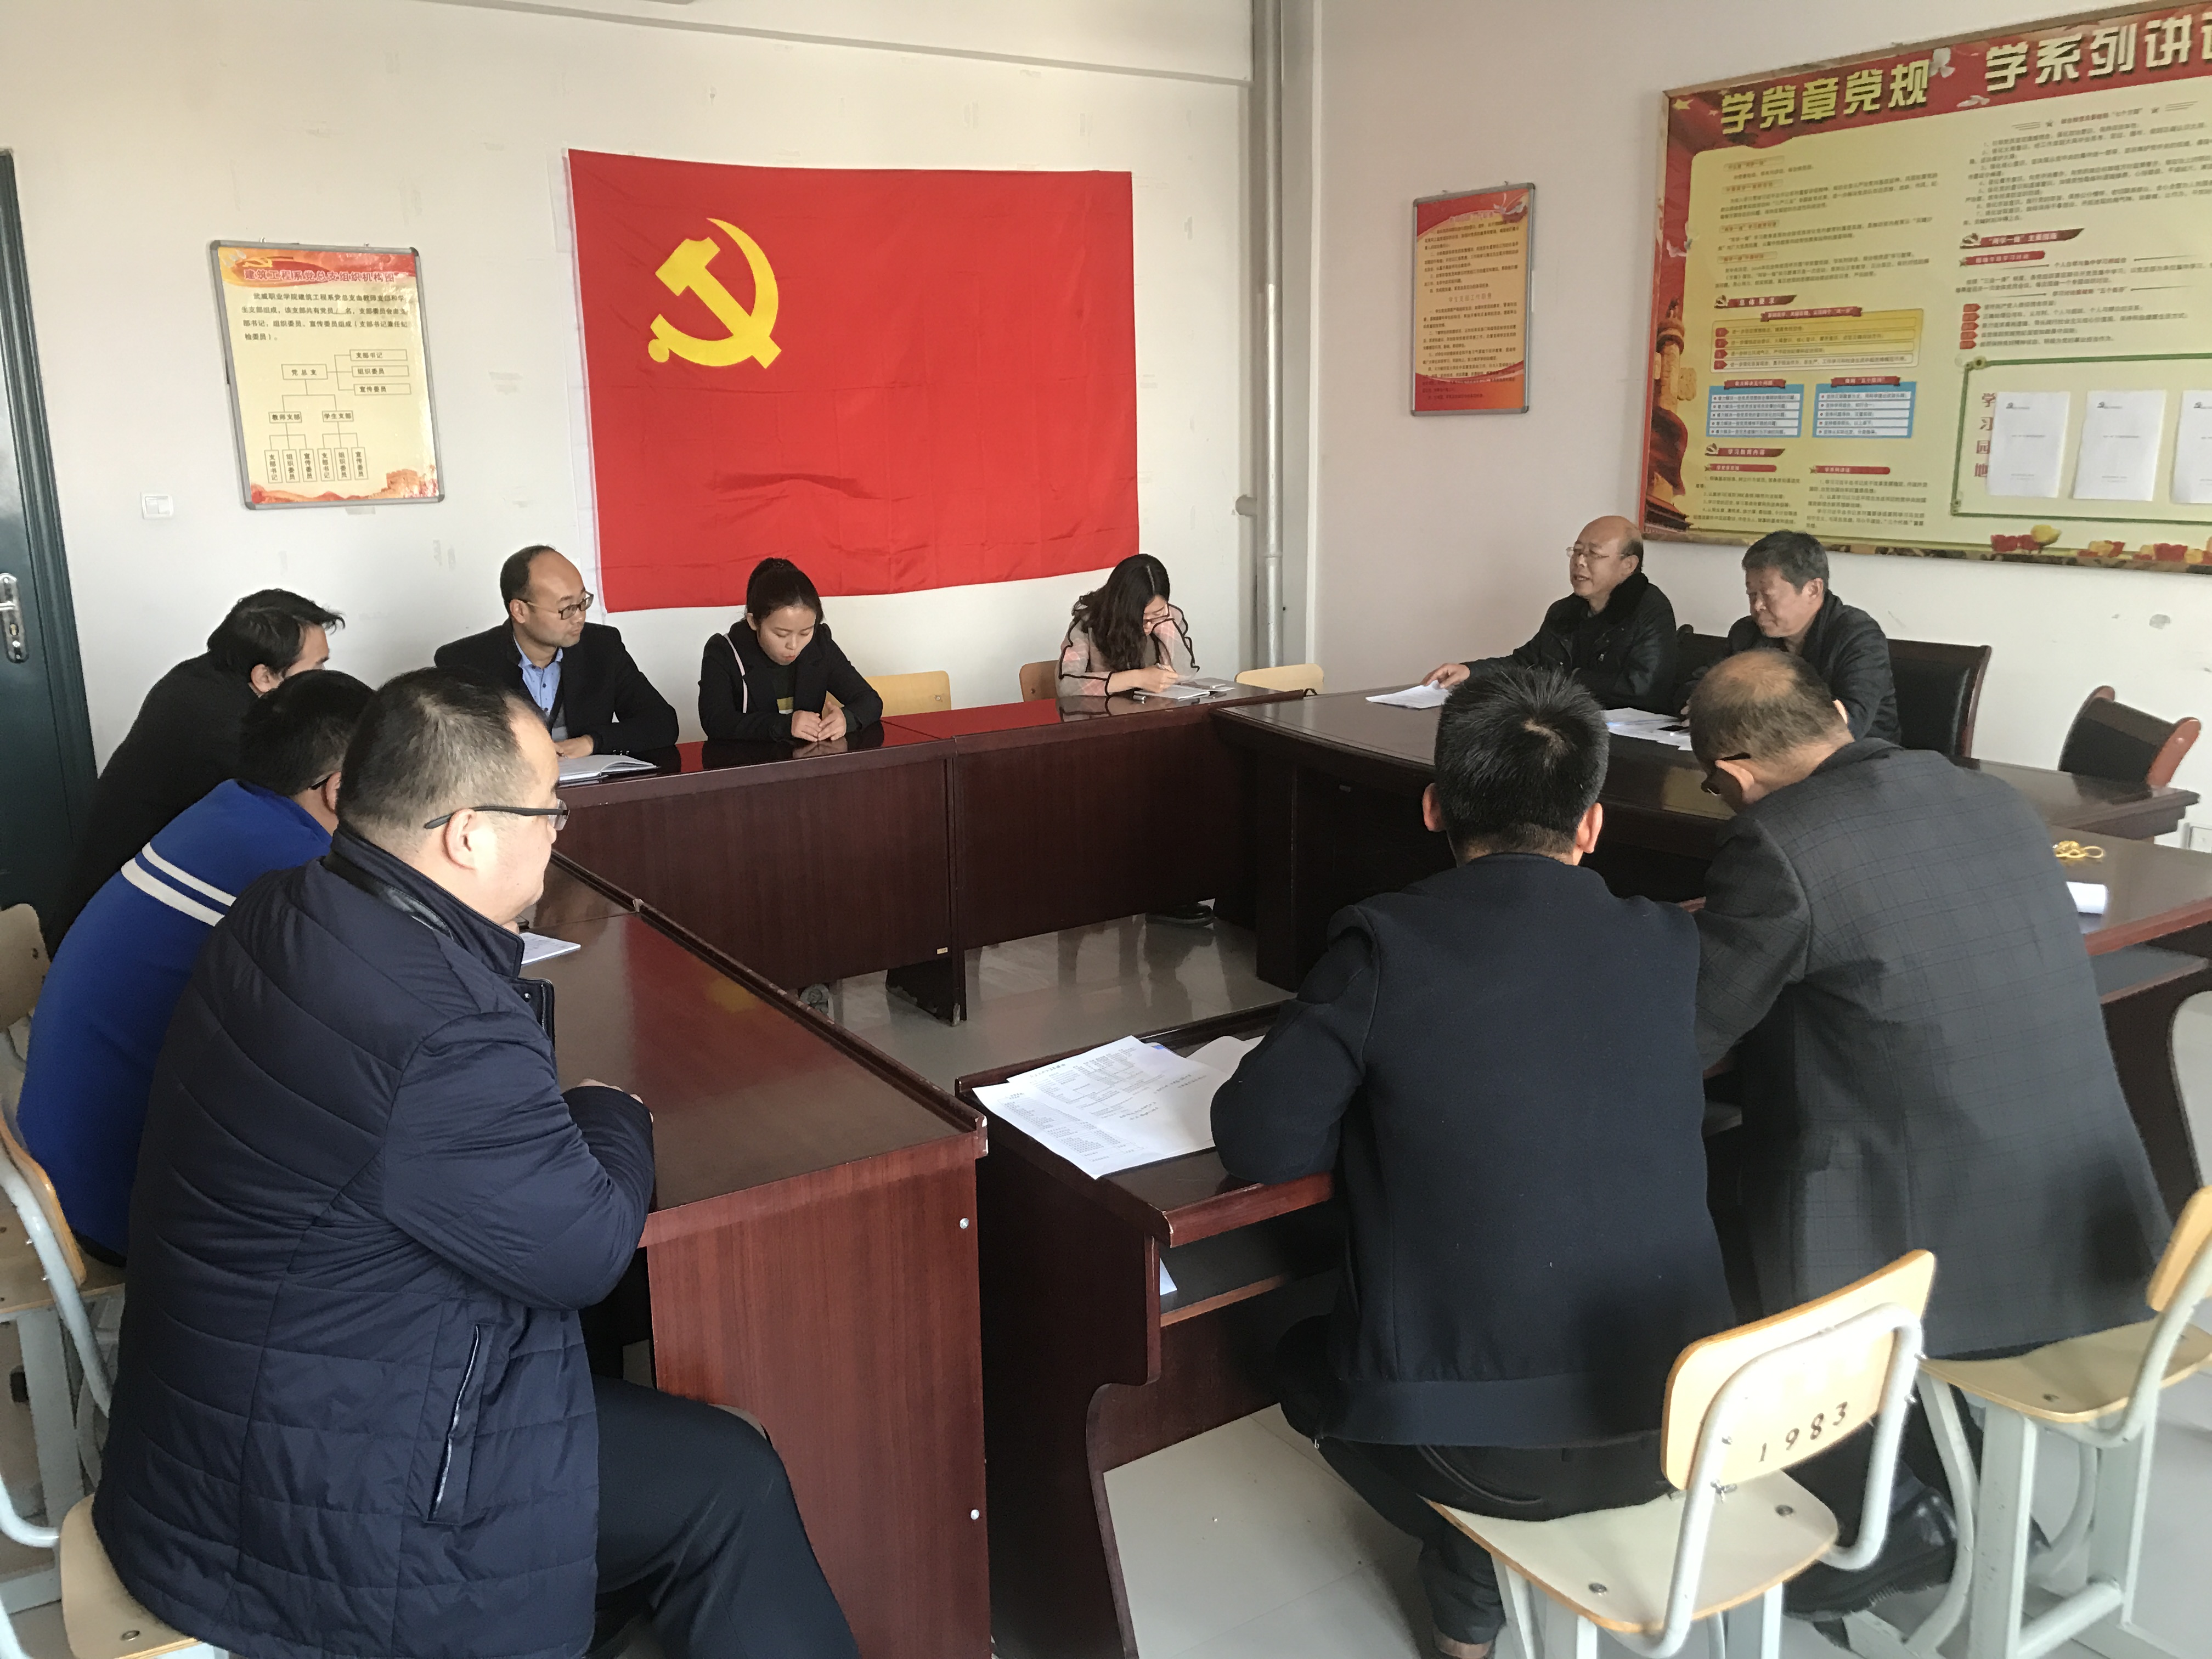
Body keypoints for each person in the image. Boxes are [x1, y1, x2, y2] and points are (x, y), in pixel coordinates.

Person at [95, 669, 857, 1659]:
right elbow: (587, 1246)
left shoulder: (286, 903)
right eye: (548, 810)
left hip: (215, 1436)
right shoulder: (436, 1033)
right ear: (466, 834)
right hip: (316, 1504)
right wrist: (613, 1110)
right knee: (730, 1481)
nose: (559, 830)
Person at [1212, 666, 1736, 1659]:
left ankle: (1468, 1580)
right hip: (1686, 1422)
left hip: (1488, 1458)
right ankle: (1468, 1604)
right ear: (1591, 824)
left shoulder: (1384, 944)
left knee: (1290, 1345)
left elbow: (1261, 1140)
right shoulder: (1669, 941)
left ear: (1432, 807)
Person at [1688, 651, 2168, 1622]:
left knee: (1710, 1199)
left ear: (1732, 775)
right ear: (1835, 712)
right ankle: (1951, 1470)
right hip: (2088, 1207)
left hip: (1944, 1242)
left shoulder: (1779, 843)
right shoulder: (1986, 795)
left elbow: (1693, 1029)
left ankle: (1881, 1502)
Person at [17, 672, 372, 1265]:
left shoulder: (227, 808)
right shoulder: (294, 869)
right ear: (338, 789)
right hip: (122, 1203)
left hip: (58, 1162)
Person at [47, 588, 340, 948]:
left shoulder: (202, 676)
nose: (323, 676)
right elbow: (304, 813)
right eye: (317, 666)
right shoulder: (224, 728)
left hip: (122, 902)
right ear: (265, 677)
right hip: (117, 930)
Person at [435, 544, 679, 758]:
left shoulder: (602, 647)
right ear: (520, 611)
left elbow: (662, 723)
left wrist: (591, 743)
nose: (580, 617)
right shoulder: (465, 663)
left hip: (590, 790)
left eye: (583, 602)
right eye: (566, 608)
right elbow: (455, 752)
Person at [1423, 515, 1678, 710]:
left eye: (1594, 554)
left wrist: (1569, 678)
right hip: (1566, 724)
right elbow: (1526, 664)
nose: (1579, 562)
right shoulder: (1565, 611)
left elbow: (1641, 688)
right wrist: (1470, 671)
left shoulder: (1650, 610)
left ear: (1628, 565)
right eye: (1576, 551)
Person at [1717, 530, 1898, 742]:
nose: (1757, 605)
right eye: (1752, 594)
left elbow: (1848, 723)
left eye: (1767, 595)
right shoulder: (1746, 633)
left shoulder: (1858, 635)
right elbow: (1704, 688)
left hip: (1860, 756)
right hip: (1766, 752)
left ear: (1813, 589)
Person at [698, 557, 883, 743]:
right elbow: (716, 722)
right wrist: (784, 725)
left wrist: (846, 720)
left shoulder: (819, 645)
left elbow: (869, 700)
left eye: (805, 633)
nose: (793, 645)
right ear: (754, 622)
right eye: (781, 634)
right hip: (748, 759)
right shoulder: (724, 651)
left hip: (807, 759)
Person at [1056, 552, 1198, 697]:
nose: (1148, 626)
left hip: (1156, 709)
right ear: (1120, 608)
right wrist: (1137, 678)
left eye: (1157, 613)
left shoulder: (1169, 618)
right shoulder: (1088, 623)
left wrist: (1162, 622)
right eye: (1141, 618)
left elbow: (1185, 675)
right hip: (1105, 710)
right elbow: (1067, 685)